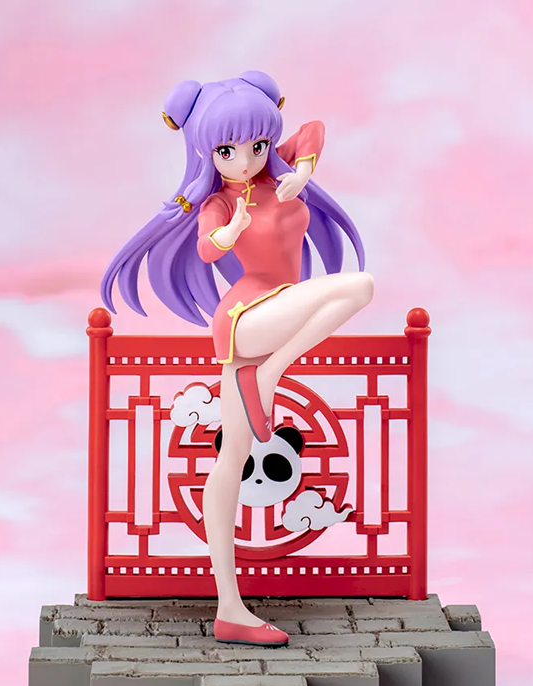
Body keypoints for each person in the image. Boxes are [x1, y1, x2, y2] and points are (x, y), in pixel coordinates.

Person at [101, 71, 373, 646]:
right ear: (207, 152)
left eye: (257, 145)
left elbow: (314, 129)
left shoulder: (279, 172)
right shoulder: (219, 202)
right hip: (247, 316)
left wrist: (301, 173)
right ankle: (269, 373)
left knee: (231, 459)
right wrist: (229, 235)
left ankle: (231, 609)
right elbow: (206, 246)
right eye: (227, 151)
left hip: (271, 320)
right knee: (358, 287)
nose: (245, 160)